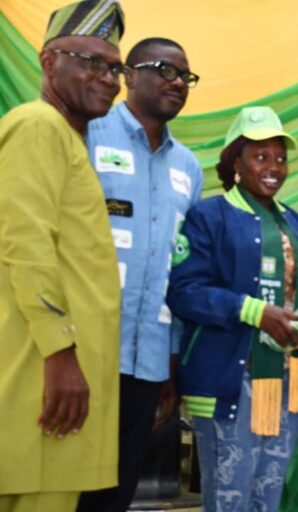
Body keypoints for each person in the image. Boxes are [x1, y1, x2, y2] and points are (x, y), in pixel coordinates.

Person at [0, 1, 125, 511]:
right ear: (49, 62)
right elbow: (27, 245)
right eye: (92, 62)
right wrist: (60, 354)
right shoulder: (37, 125)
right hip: (42, 378)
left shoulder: (68, 138)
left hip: (58, 384)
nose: (109, 79)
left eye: (114, 68)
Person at [76, 37, 203, 512]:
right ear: (129, 75)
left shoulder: (188, 167)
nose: (178, 83)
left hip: (148, 363)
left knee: (118, 489)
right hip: (85, 352)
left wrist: (171, 364)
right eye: (165, 70)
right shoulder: (88, 134)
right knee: (68, 487)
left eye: (185, 76)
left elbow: (181, 274)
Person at [167, 106, 298, 512]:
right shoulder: (208, 216)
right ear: (236, 163)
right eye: (261, 156)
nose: (274, 168)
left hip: (287, 382)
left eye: (280, 158)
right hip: (230, 380)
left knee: (267, 499)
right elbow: (184, 291)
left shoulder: (296, 225)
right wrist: (252, 311)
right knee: (229, 499)